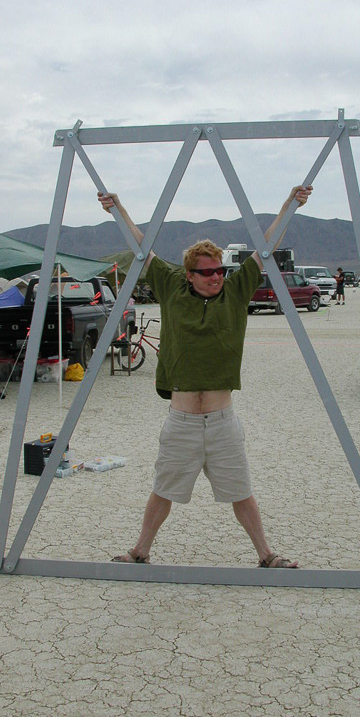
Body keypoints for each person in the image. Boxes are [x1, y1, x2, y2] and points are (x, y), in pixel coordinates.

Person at [98, 184, 312, 569]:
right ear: (189, 274)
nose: (217, 277)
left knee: (241, 493)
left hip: (222, 422)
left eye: (220, 270)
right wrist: (119, 210)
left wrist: (288, 205)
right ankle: (140, 551)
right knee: (162, 491)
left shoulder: (235, 291)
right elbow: (142, 248)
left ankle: (266, 554)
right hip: (180, 421)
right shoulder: (171, 287)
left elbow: (264, 247)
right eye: (208, 272)